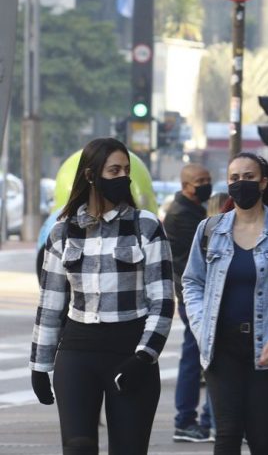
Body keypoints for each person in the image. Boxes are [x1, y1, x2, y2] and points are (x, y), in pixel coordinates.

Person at [29, 137, 175, 454]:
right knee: (78, 447)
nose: (122, 176)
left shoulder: (146, 226)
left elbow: (162, 302)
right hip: (78, 352)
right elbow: (50, 303)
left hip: (130, 350)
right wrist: (39, 365)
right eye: (114, 170)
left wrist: (144, 357)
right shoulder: (62, 230)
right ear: (91, 175)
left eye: (126, 170)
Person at [181, 152, 268, 454]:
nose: (241, 184)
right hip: (221, 346)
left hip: (267, 347)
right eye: (234, 178)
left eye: (249, 177)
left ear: (264, 182)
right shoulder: (211, 230)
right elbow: (191, 282)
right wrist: (201, 329)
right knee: (226, 434)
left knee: (262, 436)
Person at [165, 163, 215, 443]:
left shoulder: (193, 210)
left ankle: (200, 419)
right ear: (186, 186)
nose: (206, 184)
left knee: (197, 356)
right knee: (194, 357)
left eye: (207, 178)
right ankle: (186, 420)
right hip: (193, 297)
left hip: (193, 295)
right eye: (200, 180)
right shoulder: (183, 215)